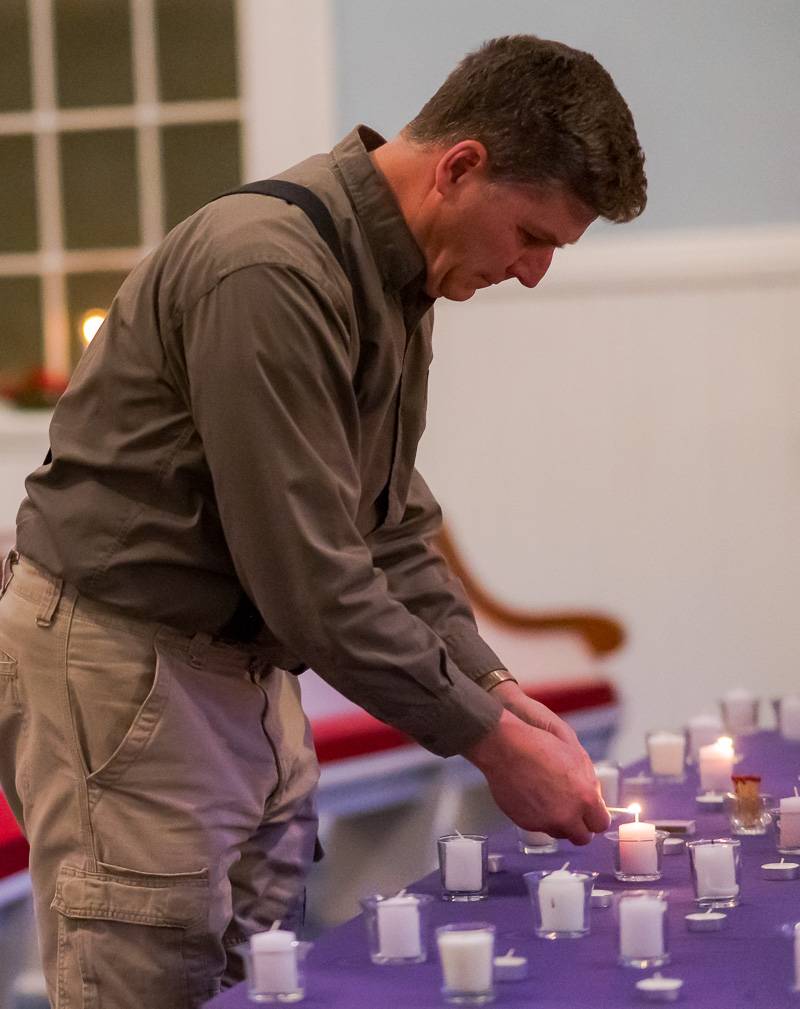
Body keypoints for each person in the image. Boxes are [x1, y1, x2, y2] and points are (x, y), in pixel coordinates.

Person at [0, 33, 646, 1008]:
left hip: (238, 670)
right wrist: (487, 742)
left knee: (258, 976)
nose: (532, 272)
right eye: (533, 236)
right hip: (129, 662)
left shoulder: (393, 269)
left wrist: (492, 685)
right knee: (147, 977)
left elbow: (386, 524)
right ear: (459, 167)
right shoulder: (267, 271)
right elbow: (311, 580)